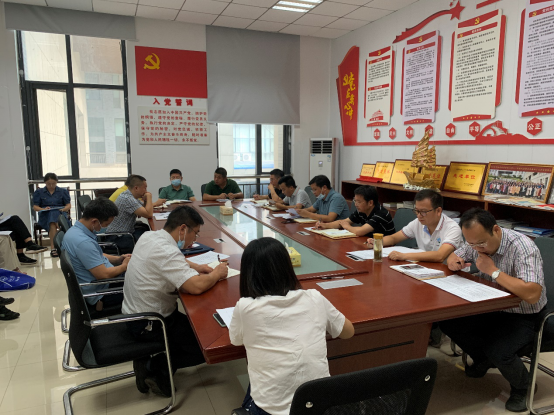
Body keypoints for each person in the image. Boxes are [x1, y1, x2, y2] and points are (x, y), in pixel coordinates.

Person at [230, 238, 355, 415]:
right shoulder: (314, 297)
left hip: (270, 411)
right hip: (319, 405)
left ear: (248, 274)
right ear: (288, 268)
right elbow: (348, 332)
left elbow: (236, 341)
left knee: (258, 378)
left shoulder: (245, 307)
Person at [441, 208, 547, 413]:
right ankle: (483, 359)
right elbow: (455, 254)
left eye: (481, 244)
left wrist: (493, 271)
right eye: (471, 244)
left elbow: (533, 294)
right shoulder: (476, 241)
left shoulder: (523, 247)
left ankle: (523, 387)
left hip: (525, 314)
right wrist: (453, 260)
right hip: (491, 306)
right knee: (448, 321)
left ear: (496, 230)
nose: (476, 248)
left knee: (499, 350)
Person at [123, 206, 229, 397]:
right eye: (195, 233)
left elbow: (172, 260)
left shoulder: (150, 236)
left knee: (194, 332)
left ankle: (155, 362)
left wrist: (197, 266)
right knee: (206, 346)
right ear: (183, 229)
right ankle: (153, 365)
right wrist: (216, 273)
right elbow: (195, 287)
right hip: (151, 322)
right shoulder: (167, 251)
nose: (194, 239)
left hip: (134, 314)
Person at [62, 198, 130, 312]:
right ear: (94, 221)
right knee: (145, 286)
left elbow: (96, 255)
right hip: (102, 292)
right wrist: (124, 266)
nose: (106, 227)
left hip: (102, 283)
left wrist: (119, 259)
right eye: (106, 224)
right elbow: (103, 275)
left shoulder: (76, 231)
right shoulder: (83, 242)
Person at [366, 189, 463, 263]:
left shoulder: (452, 228)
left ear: (438, 211)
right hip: (427, 266)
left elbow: (440, 256)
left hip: (452, 272)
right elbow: (394, 238)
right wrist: (377, 242)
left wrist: (404, 256)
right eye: (417, 211)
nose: (419, 215)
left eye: (424, 212)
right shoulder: (418, 222)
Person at [316, 185, 395, 238]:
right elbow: (343, 222)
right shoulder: (361, 211)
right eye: (355, 201)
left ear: (370, 203)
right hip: (369, 242)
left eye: (359, 202)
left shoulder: (381, 214)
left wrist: (347, 227)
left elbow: (360, 231)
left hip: (384, 248)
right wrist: (325, 225)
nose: (356, 204)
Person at [106, 175, 153, 254]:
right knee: (147, 241)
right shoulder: (127, 199)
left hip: (124, 233)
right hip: (117, 237)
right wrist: (149, 197)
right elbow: (148, 214)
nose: (146, 191)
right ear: (136, 188)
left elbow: (143, 211)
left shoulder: (130, 196)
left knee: (145, 228)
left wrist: (145, 200)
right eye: (145, 188)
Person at [32, 173, 71, 258]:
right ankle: (63, 244)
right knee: (52, 215)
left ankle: (53, 248)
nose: (51, 186)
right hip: (45, 215)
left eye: (53, 183)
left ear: (56, 182)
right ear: (45, 183)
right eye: (48, 184)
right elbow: (35, 207)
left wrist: (63, 209)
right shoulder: (39, 192)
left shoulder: (63, 191)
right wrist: (43, 209)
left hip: (60, 212)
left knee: (53, 219)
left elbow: (68, 205)